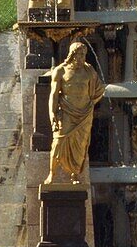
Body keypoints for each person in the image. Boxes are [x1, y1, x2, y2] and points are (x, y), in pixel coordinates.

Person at [45, 40, 105, 186]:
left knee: (81, 145)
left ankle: (74, 175)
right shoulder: (61, 71)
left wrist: (91, 104)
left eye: (84, 55)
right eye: (79, 55)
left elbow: (99, 89)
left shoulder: (89, 71)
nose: (81, 58)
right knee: (58, 143)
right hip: (67, 112)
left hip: (84, 114)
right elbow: (54, 95)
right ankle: (51, 174)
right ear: (72, 55)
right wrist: (52, 114)